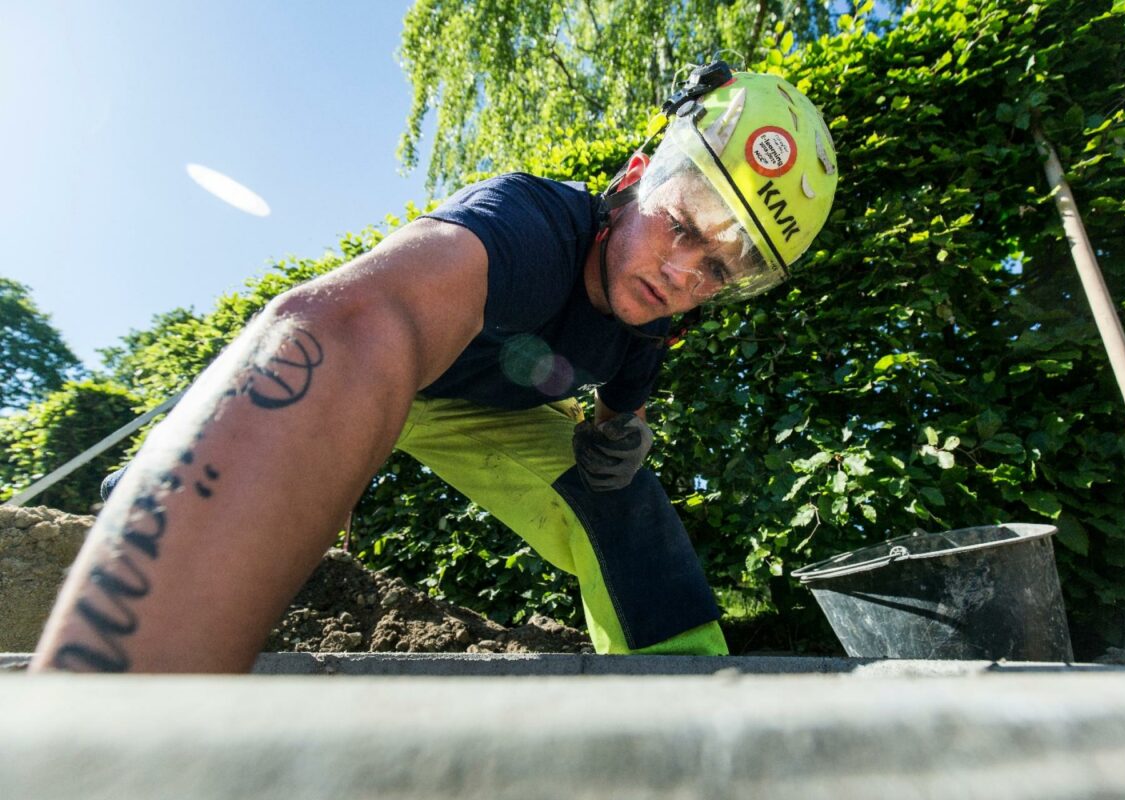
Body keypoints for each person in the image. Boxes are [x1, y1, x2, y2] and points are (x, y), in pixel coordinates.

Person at [32, 62, 837, 672]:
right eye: (682, 227)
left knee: (623, 503)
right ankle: (135, 508)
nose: (684, 275)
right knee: (249, 455)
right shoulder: (527, 226)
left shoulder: (649, 325)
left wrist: (621, 435)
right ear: (634, 181)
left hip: (480, 409)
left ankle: (697, 708)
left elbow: (623, 405)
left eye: (723, 272)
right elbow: (354, 325)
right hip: (400, 365)